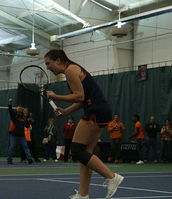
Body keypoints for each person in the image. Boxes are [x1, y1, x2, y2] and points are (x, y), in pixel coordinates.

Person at [44, 49, 123, 199]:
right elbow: (82, 99)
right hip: (99, 109)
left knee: (77, 151)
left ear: (58, 61)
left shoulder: (71, 70)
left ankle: (111, 177)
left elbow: (79, 96)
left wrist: (56, 96)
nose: (47, 67)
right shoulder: (72, 70)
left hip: (95, 110)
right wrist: (66, 111)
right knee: (85, 153)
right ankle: (82, 194)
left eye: (48, 63)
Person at [7, 99, 33, 164]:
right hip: (14, 134)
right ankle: (9, 159)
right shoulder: (13, 115)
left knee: (25, 146)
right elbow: (10, 110)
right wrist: (10, 104)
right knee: (12, 147)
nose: (19, 110)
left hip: (22, 135)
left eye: (20, 109)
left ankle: (29, 159)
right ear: (17, 109)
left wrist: (29, 129)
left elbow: (27, 125)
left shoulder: (24, 118)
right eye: (18, 109)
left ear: (22, 110)